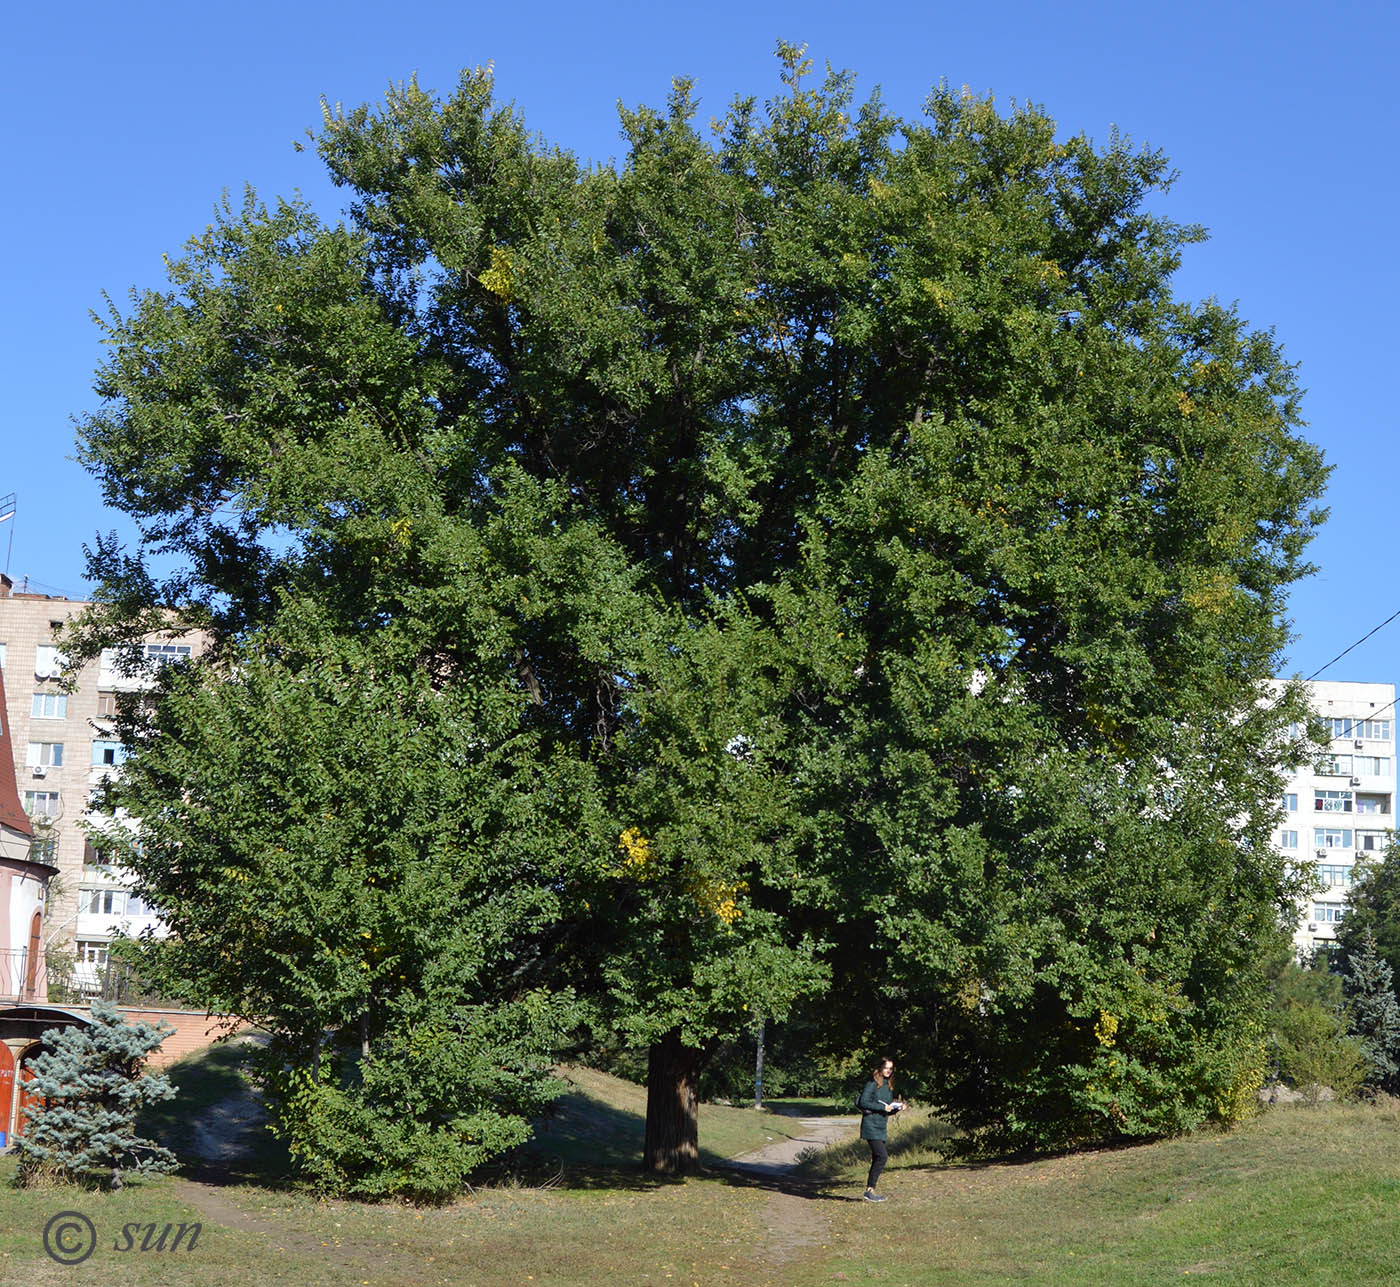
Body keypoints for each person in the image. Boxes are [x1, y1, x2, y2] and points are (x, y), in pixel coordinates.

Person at [857, 1056, 906, 1202]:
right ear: (880, 1068)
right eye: (886, 1068)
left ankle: (870, 1191)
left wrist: (897, 1108)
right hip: (870, 1125)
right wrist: (882, 1107)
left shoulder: (887, 1085)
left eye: (891, 1069)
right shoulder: (873, 1083)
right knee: (882, 1156)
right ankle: (869, 1190)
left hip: (881, 1126)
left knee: (877, 1157)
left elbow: (887, 1107)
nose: (888, 1071)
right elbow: (863, 1102)